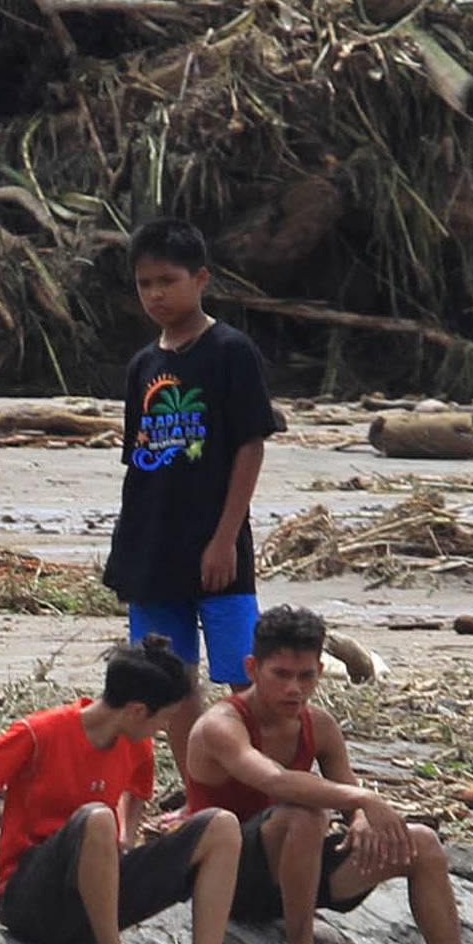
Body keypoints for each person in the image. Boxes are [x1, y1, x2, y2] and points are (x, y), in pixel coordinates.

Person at [183, 604, 473, 944]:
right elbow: (276, 781)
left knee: (424, 844)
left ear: (320, 671)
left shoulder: (318, 725)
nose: (294, 688)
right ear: (251, 668)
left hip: (295, 875)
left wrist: (360, 819)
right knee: (305, 811)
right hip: (230, 881)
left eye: (305, 676)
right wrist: (363, 801)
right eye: (281, 674)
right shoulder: (221, 725)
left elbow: (348, 795)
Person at [0, 638, 251, 944]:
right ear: (138, 710)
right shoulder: (40, 731)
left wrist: (127, 838)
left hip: (95, 899)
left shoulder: (136, 743)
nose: (164, 730)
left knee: (222, 826)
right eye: (166, 719)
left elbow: (136, 796)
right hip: (33, 903)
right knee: (97, 818)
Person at [104, 217, 282, 786]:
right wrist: (128, 553)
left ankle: (259, 787)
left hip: (217, 544)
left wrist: (226, 537)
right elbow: (141, 460)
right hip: (152, 546)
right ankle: (200, 793)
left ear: (200, 278)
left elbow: (250, 446)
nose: (156, 294)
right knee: (171, 684)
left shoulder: (230, 352)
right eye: (145, 284)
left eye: (168, 281)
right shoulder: (142, 365)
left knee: (243, 681)